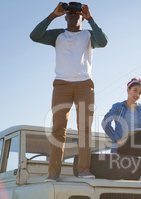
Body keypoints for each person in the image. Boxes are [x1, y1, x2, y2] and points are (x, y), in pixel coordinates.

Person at [30, 2, 109, 181]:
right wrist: (52, 15)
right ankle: (53, 172)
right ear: (65, 16)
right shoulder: (57, 35)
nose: (73, 14)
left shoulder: (89, 35)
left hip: (84, 85)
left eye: (77, 12)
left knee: (85, 129)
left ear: (81, 16)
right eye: (70, 12)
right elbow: (34, 36)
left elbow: (103, 42)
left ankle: (84, 170)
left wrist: (91, 19)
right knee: (58, 129)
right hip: (61, 86)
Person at [101, 78, 141, 181]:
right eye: (135, 90)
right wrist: (118, 139)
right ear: (128, 90)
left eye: (140, 93)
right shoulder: (118, 107)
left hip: (140, 145)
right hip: (124, 145)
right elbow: (105, 122)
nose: (137, 94)